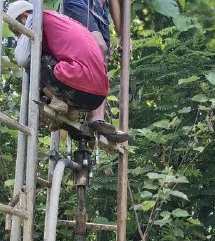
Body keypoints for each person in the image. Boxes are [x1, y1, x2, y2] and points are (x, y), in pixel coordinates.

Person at [7, 2, 127, 142]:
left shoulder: (36, 19)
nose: (19, 38)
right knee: (48, 60)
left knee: (31, 59)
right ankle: (71, 108)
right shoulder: (60, 20)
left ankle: (56, 99)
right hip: (97, 97)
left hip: (77, 80)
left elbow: (22, 59)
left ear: (25, 16)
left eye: (17, 32)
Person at [61, 0, 128, 141]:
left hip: (101, 10)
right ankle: (69, 98)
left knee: (103, 57)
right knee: (98, 46)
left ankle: (96, 118)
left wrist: (123, 33)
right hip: (80, 2)